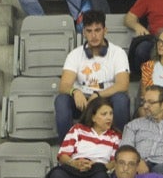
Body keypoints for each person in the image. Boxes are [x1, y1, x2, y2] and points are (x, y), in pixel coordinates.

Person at [55, 10, 131, 140]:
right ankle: (67, 146)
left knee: (121, 99)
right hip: (83, 101)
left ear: (105, 30)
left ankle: (119, 143)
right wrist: (75, 91)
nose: (93, 35)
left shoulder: (118, 53)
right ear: (84, 32)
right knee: (61, 100)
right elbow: (63, 85)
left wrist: (98, 95)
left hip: (107, 99)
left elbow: (122, 85)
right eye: (89, 31)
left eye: (97, 30)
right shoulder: (75, 54)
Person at [45, 97, 119, 178]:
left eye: (111, 114)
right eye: (104, 114)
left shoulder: (115, 136)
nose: (109, 117)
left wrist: (98, 165)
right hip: (74, 168)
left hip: (98, 170)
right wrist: (74, 163)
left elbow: (114, 163)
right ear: (93, 117)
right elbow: (63, 155)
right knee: (56, 176)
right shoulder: (78, 129)